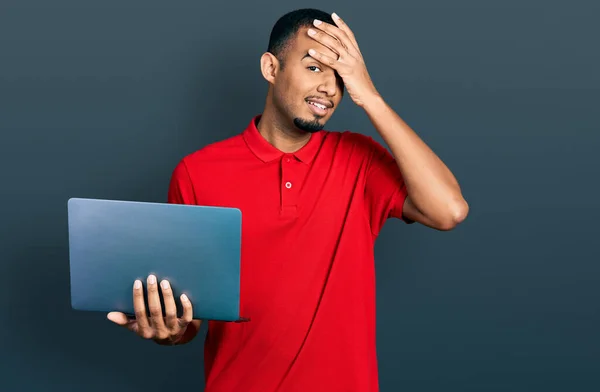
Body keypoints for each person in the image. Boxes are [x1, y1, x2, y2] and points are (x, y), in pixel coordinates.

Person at [107, 8, 469, 392]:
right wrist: (168, 329)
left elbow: (449, 209)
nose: (330, 88)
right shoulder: (197, 173)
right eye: (314, 68)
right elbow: (189, 322)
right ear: (270, 67)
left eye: (341, 76)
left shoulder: (359, 160)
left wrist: (371, 97)